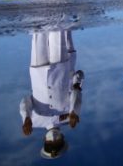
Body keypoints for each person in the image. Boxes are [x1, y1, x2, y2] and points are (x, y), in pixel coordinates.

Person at [20, 28, 83, 160]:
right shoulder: (69, 119)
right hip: (60, 69)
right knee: (57, 31)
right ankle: (57, 8)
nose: (54, 138)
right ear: (62, 138)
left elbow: (25, 101)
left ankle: (36, 8)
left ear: (44, 139)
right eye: (57, 141)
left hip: (38, 72)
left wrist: (26, 117)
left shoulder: (34, 122)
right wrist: (74, 111)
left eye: (50, 142)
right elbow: (76, 93)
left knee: (38, 34)